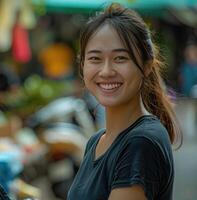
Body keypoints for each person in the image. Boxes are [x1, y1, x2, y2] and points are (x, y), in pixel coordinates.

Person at [68, 3, 181, 200]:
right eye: (95, 59)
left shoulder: (140, 143)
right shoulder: (96, 142)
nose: (106, 71)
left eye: (120, 58)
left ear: (146, 66)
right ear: (83, 65)